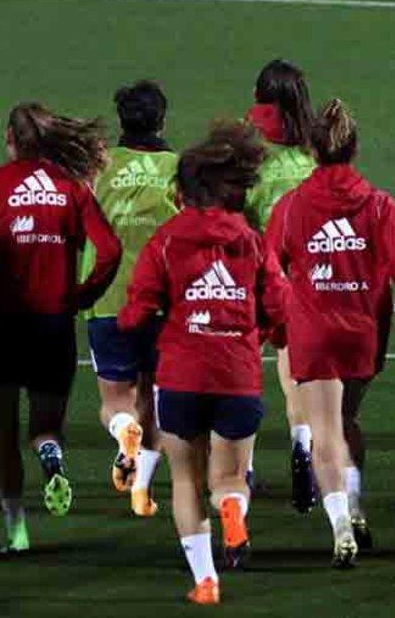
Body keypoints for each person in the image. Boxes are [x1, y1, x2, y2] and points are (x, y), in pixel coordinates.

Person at [265, 99, 395, 567]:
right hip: (363, 333)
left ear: (312, 151)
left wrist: (273, 330)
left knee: (324, 432)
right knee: (347, 422)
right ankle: (354, 504)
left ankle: (339, 527)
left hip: (313, 333)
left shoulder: (291, 208)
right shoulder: (379, 206)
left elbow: (268, 271)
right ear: (354, 150)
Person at [118, 120, 289, 604]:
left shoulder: (168, 240)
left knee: (187, 481)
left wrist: (137, 326)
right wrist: (267, 333)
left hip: (181, 377)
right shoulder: (252, 242)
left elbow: (138, 306)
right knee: (229, 478)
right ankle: (234, 511)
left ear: (184, 191)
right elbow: (279, 305)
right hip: (237, 375)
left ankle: (206, 580)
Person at [0, 103, 122, 552]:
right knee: (45, 426)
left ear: (10, 138)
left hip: (0, 322)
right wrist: (83, 294)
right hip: (52, 322)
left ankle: (17, 531)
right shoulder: (72, 188)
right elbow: (110, 249)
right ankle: (51, 456)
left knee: (4, 430)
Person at [82, 80, 178, 517]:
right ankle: (142, 490)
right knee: (154, 401)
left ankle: (123, 434)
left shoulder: (97, 168)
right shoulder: (178, 169)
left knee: (116, 403)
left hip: (108, 301)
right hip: (163, 302)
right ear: (162, 120)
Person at [244, 58, 320, 512]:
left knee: (243, 375)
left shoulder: (251, 146)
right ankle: (302, 449)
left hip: (255, 275)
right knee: (297, 378)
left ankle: (245, 468)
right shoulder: (312, 151)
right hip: (306, 280)